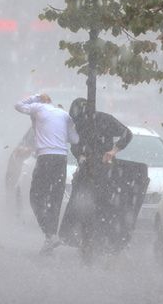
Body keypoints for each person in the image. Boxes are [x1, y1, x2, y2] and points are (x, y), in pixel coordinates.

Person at [60, 97, 143, 259]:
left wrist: (113, 151)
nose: (79, 122)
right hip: (86, 171)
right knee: (82, 205)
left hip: (106, 171)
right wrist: (81, 157)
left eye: (80, 119)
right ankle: (86, 241)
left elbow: (127, 134)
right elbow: (75, 145)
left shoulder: (105, 119)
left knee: (103, 206)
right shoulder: (77, 124)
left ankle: (102, 241)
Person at [14, 93, 79, 254]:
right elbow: (75, 139)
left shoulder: (39, 107)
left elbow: (18, 105)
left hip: (46, 158)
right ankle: (51, 237)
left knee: (36, 196)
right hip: (61, 159)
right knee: (55, 198)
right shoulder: (64, 115)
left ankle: (49, 234)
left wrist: (36, 97)